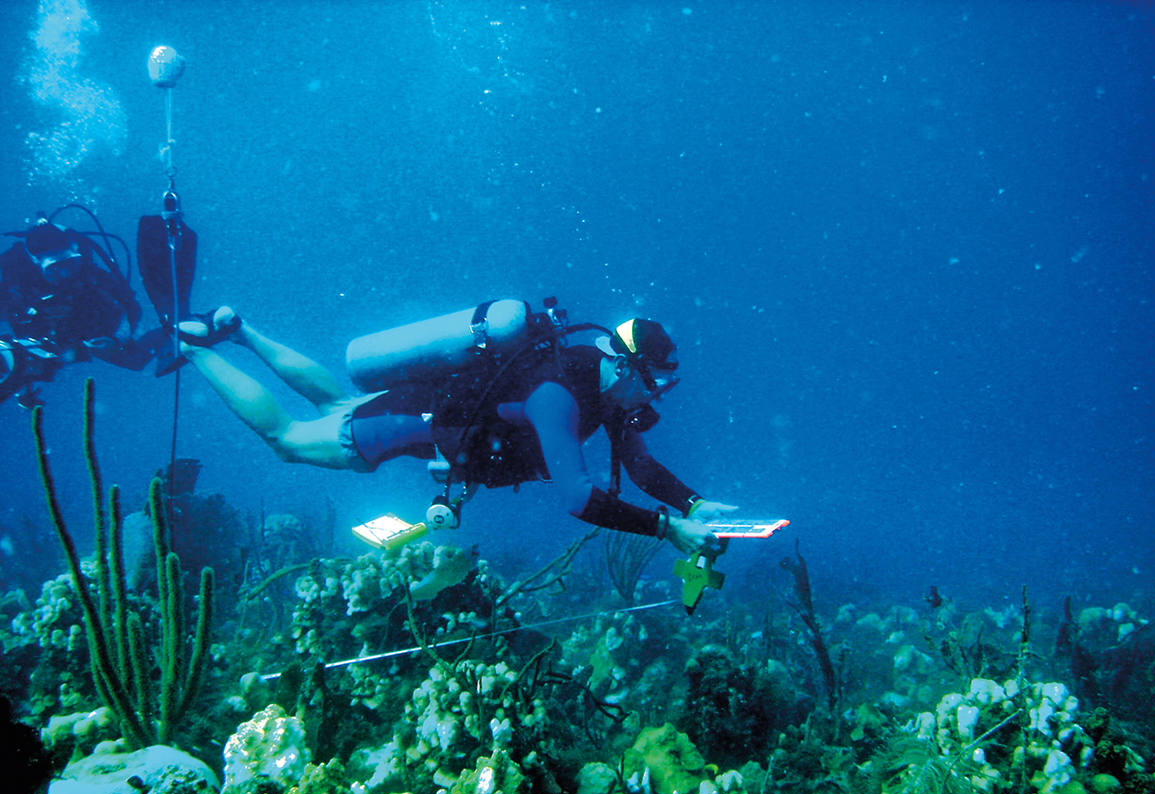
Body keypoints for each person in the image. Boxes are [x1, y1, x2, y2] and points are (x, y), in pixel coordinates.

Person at [177, 306, 733, 554]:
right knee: (289, 441)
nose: (654, 397)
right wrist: (667, 530)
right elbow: (576, 497)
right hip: (409, 424)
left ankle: (239, 329)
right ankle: (194, 349)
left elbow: (639, 466)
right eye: (653, 383)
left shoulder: (604, 389)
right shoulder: (558, 396)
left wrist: (693, 504)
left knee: (338, 399)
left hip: (424, 404)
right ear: (627, 366)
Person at [0, 215, 169, 407]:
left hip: (82, 334)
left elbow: (130, 307)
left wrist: (115, 340)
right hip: (36, 344)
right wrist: (25, 387)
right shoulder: (15, 284)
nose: (65, 274)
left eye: (70, 264)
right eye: (54, 269)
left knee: (134, 359)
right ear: (36, 264)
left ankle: (178, 330)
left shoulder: (89, 274)